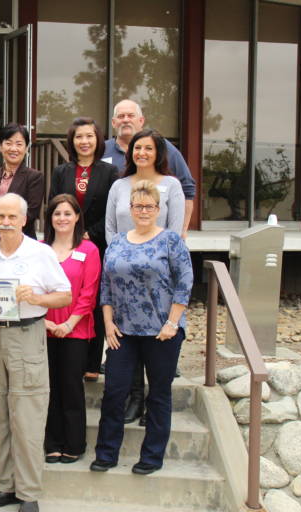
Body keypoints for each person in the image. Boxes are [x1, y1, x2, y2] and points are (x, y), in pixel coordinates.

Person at [0, 193, 71, 512]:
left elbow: (65, 296)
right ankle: (6, 486)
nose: (6, 222)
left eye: (12, 217)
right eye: (1, 217)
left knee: (26, 417)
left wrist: (38, 299)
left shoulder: (40, 253)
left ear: (25, 220)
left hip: (27, 335)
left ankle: (28, 493)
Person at [91, 180, 193, 476]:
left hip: (162, 332)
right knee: (114, 392)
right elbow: (106, 286)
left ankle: (152, 456)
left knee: (158, 394)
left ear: (158, 210)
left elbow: (185, 284)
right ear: (130, 209)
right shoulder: (118, 242)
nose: (144, 211)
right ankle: (106, 453)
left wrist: (173, 323)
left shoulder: (171, 241)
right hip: (123, 331)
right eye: (138, 206)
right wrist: (108, 323)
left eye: (149, 206)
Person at [104, 129, 186, 425]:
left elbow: (174, 231)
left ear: (158, 153)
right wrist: (121, 259)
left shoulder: (171, 185)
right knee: (128, 338)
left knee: (155, 344)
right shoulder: (119, 186)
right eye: (137, 148)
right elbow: (111, 230)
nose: (142, 153)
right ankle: (135, 397)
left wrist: (155, 259)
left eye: (148, 148)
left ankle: (154, 401)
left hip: (157, 277)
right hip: (123, 278)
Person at [48, 117, 118, 382]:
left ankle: (92, 362)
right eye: (79, 137)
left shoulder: (109, 172)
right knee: (66, 294)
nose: (84, 142)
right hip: (65, 242)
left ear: (97, 140)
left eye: (89, 136)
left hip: (95, 244)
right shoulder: (61, 172)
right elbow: (55, 204)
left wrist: (91, 233)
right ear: (72, 141)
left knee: (94, 299)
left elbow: (110, 212)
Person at [42, 194, 101, 465]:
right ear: (50, 218)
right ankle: (51, 442)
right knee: (49, 388)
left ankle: (75, 442)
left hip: (75, 331)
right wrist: (46, 322)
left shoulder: (89, 250)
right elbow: (32, 289)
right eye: (57, 213)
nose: (62, 218)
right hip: (44, 329)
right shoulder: (40, 250)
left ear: (77, 217)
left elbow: (89, 294)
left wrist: (68, 323)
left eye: (68, 213)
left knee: (71, 387)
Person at [102, 99, 195, 238]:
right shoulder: (102, 151)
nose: (126, 120)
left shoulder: (167, 149)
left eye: (130, 115)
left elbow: (187, 190)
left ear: (141, 120)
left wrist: (182, 232)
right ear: (113, 122)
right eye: (121, 116)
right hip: (119, 250)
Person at [0, 123, 44, 239]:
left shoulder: (34, 177)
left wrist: (5, 226)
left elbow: (31, 214)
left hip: (22, 241)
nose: (13, 149)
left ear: (26, 148)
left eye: (19, 144)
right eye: (8, 143)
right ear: (1, 147)